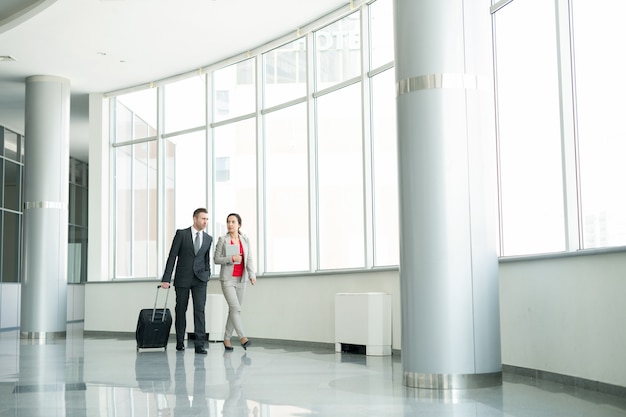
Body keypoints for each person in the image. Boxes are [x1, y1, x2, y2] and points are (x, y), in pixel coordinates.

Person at [161, 208, 213, 354]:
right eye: (203, 219)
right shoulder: (181, 234)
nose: (205, 222)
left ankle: (200, 345)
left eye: (207, 219)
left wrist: (207, 274)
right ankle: (179, 342)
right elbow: (172, 257)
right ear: (195, 219)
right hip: (183, 279)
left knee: (199, 311)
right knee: (181, 309)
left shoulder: (208, 238)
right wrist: (166, 279)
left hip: (200, 280)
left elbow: (206, 259)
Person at [214, 213, 256, 351]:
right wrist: (231, 259)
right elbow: (216, 259)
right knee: (236, 309)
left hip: (241, 279)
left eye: (233, 222)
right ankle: (242, 338)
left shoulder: (245, 240)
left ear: (239, 224)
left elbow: (249, 258)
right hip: (228, 279)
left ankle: (226, 339)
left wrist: (252, 274)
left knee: (233, 310)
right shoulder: (223, 240)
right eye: (228, 222)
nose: (230, 224)